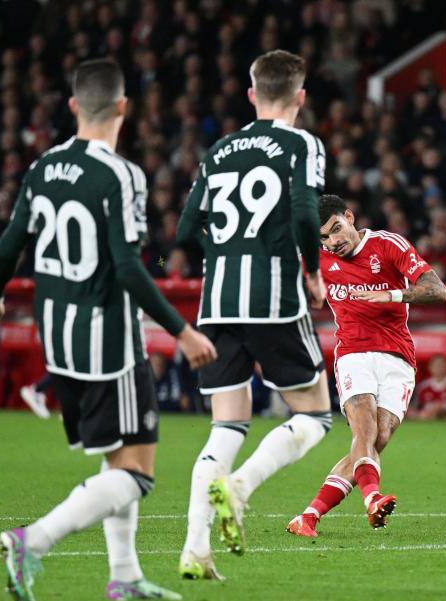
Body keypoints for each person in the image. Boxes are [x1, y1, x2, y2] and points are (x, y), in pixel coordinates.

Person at [0, 59, 216, 601]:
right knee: (140, 472)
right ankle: (32, 540)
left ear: (73, 106)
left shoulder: (43, 168)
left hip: (58, 341)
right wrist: (183, 331)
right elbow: (128, 267)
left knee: (117, 458)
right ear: (124, 107)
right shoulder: (122, 175)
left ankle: (124, 577)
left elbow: (10, 242)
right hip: (109, 343)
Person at [175, 49, 333, 580]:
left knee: (226, 425)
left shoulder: (219, 150)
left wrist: (222, 253)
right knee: (314, 413)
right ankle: (240, 487)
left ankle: (195, 551)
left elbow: (182, 230)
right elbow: (308, 213)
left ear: (251, 95)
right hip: (273, 299)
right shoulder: (302, 142)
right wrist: (311, 272)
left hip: (217, 301)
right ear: (301, 97)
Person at [286, 195, 446, 538]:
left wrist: (390, 295)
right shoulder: (316, 260)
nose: (333, 241)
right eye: (325, 238)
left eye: (336, 230)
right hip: (353, 352)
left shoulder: (388, 245)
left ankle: (308, 516)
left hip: (398, 356)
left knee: (378, 437)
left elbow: (437, 290)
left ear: (349, 216)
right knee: (364, 429)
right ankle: (372, 498)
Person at [413, 354, 446, 420]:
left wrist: (441, 408)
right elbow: (415, 406)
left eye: (441, 365)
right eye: (436, 365)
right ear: (430, 367)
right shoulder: (423, 386)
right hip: (426, 417)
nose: (439, 368)